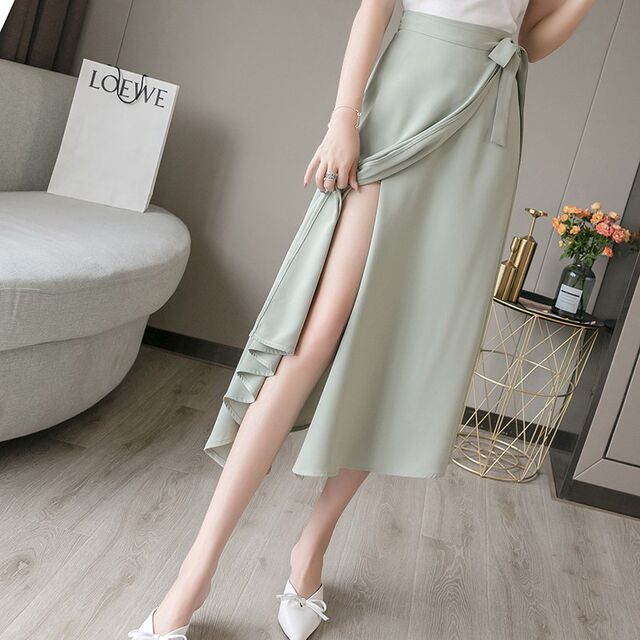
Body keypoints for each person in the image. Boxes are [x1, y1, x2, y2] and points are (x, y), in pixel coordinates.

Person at [127, 1, 596, 638]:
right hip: (407, 102)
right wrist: (344, 117)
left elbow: (529, 39)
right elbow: (373, 9)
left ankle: (312, 548)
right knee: (313, 338)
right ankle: (195, 574)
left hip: (486, 129)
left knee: (403, 348)